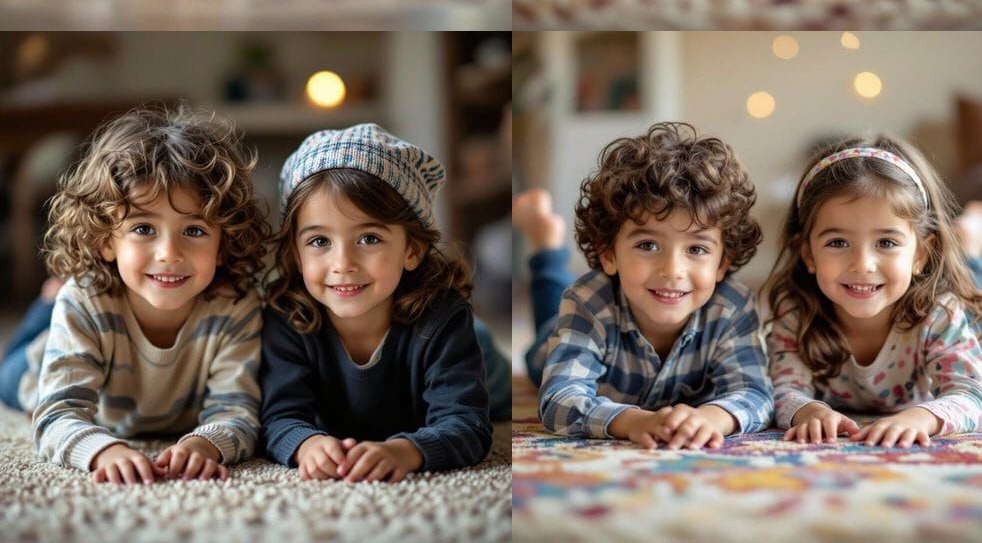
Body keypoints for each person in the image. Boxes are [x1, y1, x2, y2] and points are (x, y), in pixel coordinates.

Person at [0, 104, 269, 483]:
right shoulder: (86, 301)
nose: (169, 254)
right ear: (106, 241)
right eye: (144, 229)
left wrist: (204, 445)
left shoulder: (237, 306)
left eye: (194, 231)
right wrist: (105, 449)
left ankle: (52, 298)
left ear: (224, 243)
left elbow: (238, 411)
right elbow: (56, 414)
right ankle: (47, 304)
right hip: (36, 365)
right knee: (8, 374)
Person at [260, 124, 504, 482]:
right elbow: (278, 416)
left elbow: (467, 423)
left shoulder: (444, 317)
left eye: (369, 238)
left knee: (499, 373)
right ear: (296, 254)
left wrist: (405, 451)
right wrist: (308, 443)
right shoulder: (286, 317)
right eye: (319, 242)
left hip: (479, 358)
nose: (343, 263)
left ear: (412, 249)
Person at [520, 123, 773, 449]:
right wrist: (635, 421)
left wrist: (712, 417)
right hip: (558, 338)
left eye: (696, 249)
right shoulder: (587, 302)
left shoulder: (733, 306)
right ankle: (546, 246)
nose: (672, 270)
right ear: (608, 254)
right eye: (648, 246)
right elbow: (559, 399)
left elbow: (755, 392)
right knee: (550, 316)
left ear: (722, 263)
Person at [764, 135, 982, 447]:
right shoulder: (796, 312)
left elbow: (970, 394)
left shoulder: (939, 314)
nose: (863, 264)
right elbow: (782, 388)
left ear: (920, 254)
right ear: (809, 254)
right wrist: (807, 410)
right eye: (838, 243)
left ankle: (970, 249)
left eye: (886, 242)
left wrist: (919, 417)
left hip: (954, 320)